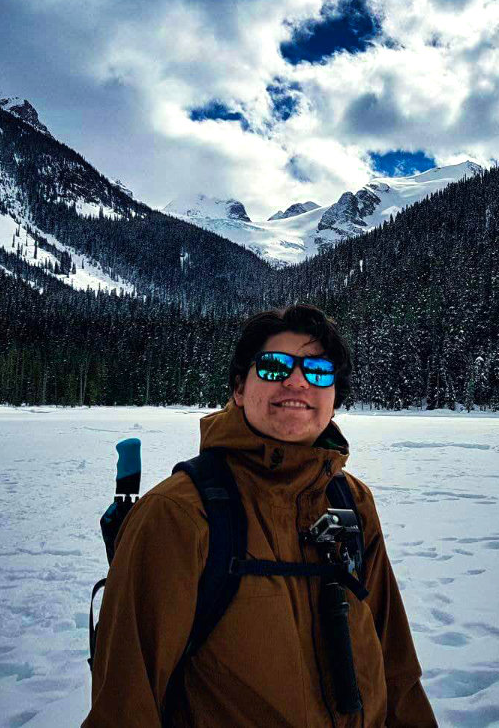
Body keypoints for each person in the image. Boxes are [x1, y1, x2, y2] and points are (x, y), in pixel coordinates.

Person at [84, 304, 436, 727]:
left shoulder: (351, 501)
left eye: (319, 371)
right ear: (238, 388)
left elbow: (397, 672)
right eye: (273, 366)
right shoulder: (178, 514)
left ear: (334, 398)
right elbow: (125, 705)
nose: (297, 381)